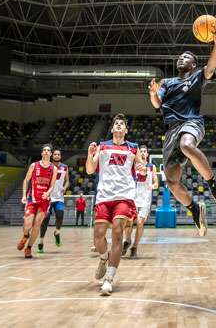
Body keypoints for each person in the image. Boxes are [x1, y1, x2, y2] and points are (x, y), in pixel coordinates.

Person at [147, 27, 216, 236]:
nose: (180, 59)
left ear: (193, 65)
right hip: (170, 132)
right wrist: (153, 93)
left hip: (191, 123)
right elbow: (157, 104)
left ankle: (215, 189)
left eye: (185, 57)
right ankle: (194, 209)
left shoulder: (196, 77)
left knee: (187, 145)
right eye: (179, 56)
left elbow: (210, 67)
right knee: (172, 183)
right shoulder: (167, 82)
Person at [86, 114, 142, 295]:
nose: (119, 125)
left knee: (118, 231)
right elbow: (89, 169)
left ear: (126, 130)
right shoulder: (102, 146)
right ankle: (104, 258)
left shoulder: (133, 148)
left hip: (124, 195)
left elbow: (142, 165)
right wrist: (89, 155)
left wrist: (141, 166)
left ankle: (109, 278)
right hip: (104, 195)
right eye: (116, 124)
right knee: (98, 236)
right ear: (112, 129)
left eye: (122, 124)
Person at [17, 144, 57, 259]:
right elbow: (26, 180)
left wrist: (48, 193)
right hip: (32, 199)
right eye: (44, 150)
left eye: (48, 150)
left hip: (44, 201)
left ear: (50, 154)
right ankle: (25, 235)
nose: (46, 152)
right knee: (27, 223)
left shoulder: (54, 169)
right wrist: (24, 195)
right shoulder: (34, 165)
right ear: (41, 153)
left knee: (37, 225)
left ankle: (28, 248)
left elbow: (52, 185)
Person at [123, 145, 158, 259]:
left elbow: (156, 183)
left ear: (147, 154)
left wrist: (152, 186)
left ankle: (134, 247)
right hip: (133, 197)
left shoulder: (152, 167)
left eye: (144, 151)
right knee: (128, 223)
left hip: (145, 200)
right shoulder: (133, 166)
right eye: (141, 151)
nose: (143, 153)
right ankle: (127, 240)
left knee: (139, 222)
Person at [37, 149, 69, 253]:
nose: (56, 155)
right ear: (52, 156)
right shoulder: (48, 166)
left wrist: (65, 187)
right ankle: (41, 242)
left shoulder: (65, 167)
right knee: (45, 220)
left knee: (60, 215)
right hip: (48, 197)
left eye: (58, 154)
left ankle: (57, 232)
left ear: (60, 156)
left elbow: (67, 180)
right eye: (55, 154)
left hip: (59, 197)